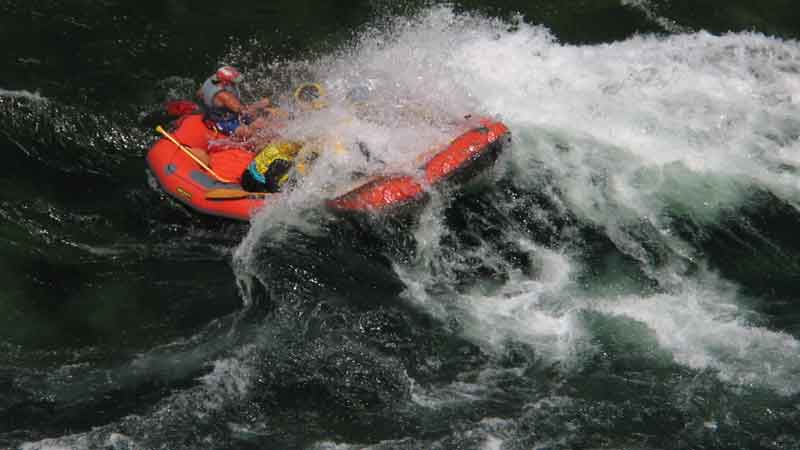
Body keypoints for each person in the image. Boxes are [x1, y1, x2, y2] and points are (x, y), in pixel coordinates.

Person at [196, 65, 272, 137]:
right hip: (224, 122)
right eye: (233, 81)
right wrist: (260, 104)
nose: (236, 83)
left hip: (214, 115)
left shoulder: (210, 81)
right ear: (225, 82)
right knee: (249, 131)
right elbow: (243, 111)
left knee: (261, 113)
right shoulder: (225, 96)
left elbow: (199, 94)